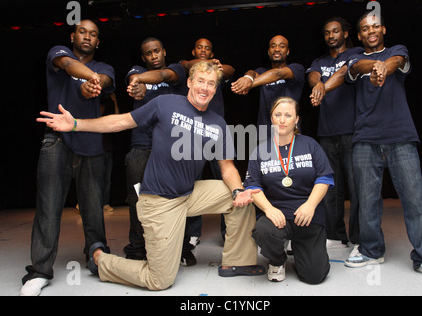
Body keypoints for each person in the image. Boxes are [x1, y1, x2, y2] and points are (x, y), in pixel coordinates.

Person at [37, 61, 265, 291]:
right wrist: (76, 124)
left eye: (211, 84)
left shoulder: (218, 123)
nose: (205, 88)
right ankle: (100, 259)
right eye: (200, 81)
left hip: (190, 193)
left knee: (243, 197)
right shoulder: (165, 104)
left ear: (216, 90)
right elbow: (120, 122)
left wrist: (238, 192)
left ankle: (238, 262)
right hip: (160, 202)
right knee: (159, 280)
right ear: (189, 82)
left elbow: (227, 168)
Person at [344, 12, 422, 284]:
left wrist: (383, 68)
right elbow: (357, 68)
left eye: (375, 26)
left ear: (384, 29)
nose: (371, 31)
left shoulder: (397, 51)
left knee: (414, 199)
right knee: (366, 201)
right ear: (359, 35)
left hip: (401, 137)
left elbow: (395, 62)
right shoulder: (354, 58)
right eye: (365, 28)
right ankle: (371, 250)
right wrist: (374, 67)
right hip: (365, 139)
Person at [20, 19, 115, 296]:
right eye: (82, 31)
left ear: (98, 42)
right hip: (56, 141)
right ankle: (39, 272)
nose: (87, 37)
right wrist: (89, 78)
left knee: (93, 209)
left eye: (93, 34)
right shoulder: (59, 53)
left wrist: (95, 84)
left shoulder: (103, 69)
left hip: (91, 143)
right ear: (73, 35)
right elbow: (68, 65)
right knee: (48, 209)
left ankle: (97, 257)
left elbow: (106, 81)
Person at [244, 97, 334, 284]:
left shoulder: (310, 145)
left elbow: (324, 178)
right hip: (278, 216)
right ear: (271, 118)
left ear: (296, 119)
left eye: (288, 115)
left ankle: (304, 248)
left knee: (315, 276)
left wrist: (310, 205)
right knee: (263, 231)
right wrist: (269, 210)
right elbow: (253, 187)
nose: (282, 120)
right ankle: (277, 260)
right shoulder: (260, 150)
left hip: (307, 216)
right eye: (278, 115)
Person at [122, 37, 187, 262]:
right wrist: (136, 83)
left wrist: (140, 80)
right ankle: (138, 248)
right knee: (137, 200)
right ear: (143, 57)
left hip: (171, 147)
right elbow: (134, 79)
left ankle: (180, 248)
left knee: (175, 197)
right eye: (149, 53)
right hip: (141, 145)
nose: (154, 56)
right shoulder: (137, 71)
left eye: (157, 51)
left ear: (164, 51)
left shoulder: (176, 70)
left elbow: (163, 76)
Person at [306, 17, 363, 250]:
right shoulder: (318, 61)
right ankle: (335, 234)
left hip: (352, 131)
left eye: (336, 31)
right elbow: (312, 77)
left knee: (358, 186)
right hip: (327, 133)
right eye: (328, 32)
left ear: (345, 34)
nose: (331, 36)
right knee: (330, 186)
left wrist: (322, 86)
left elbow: (343, 73)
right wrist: (317, 83)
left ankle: (359, 238)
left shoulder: (356, 54)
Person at [180, 38, 235, 248]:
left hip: (215, 131)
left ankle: (227, 231)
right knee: (192, 182)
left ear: (213, 52)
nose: (203, 50)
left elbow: (230, 70)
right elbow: (186, 65)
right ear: (193, 50)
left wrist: (218, 66)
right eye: (200, 47)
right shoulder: (187, 66)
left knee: (225, 178)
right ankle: (193, 234)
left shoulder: (216, 70)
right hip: (192, 132)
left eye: (208, 48)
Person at [231, 35, 305, 140]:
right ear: (269, 52)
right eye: (273, 46)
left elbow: (278, 74)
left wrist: (248, 84)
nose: (277, 49)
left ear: (288, 51)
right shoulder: (262, 72)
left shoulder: (297, 68)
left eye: (282, 46)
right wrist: (247, 77)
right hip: (265, 133)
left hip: (289, 130)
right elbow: (252, 72)